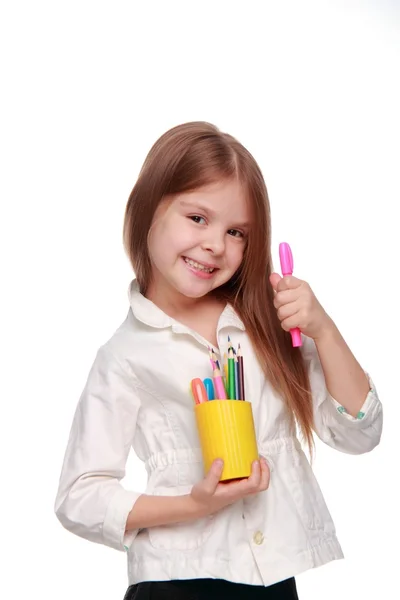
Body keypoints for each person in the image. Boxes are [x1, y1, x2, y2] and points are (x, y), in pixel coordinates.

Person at [54, 121, 383, 600]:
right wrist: (193, 504)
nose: (215, 244)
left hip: (274, 580)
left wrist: (324, 330)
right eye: (197, 218)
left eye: (236, 231)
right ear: (148, 211)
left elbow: (358, 433)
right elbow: (78, 497)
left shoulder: (270, 323)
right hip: (175, 581)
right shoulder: (125, 356)